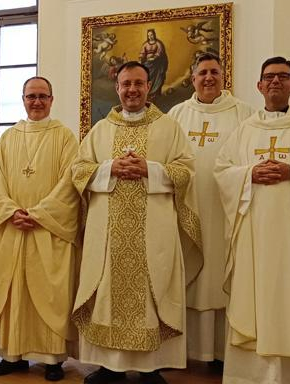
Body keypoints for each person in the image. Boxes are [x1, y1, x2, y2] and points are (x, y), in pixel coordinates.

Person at [71, 61, 202, 384]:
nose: (132, 90)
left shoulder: (168, 128)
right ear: (117, 87)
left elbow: (186, 170)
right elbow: (78, 170)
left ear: (149, 87)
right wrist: (110, 168)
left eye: (138, 83)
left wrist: (150, 170)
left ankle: (151, 367)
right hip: (109, 234)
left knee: (152, 290)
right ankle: (108, 366)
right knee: (107, 294)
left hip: (153, 233)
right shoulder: (101, 129)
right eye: (126, 83)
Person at [214, 57, 290, 383]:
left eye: (283, 77)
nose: (275, 82)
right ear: (259, 85)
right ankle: (251, 376)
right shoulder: (243, 132)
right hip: (254, 235)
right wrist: (250, 173)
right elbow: (223, 173)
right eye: (269, 77)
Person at [0, 76, 80, 382]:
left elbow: (70, 184)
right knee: (14, 291)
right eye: (31, 96)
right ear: (23, 99)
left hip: (49, 230)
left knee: (50, 292)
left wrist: (39, 214)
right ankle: (13, 355)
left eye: (42, 96)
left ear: (52, 99)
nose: (36, 101)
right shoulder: (9, 138)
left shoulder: (65, 137)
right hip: (13, 229)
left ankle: (52, 359)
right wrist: (10, 212)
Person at [169, 53, 255, 366]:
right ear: (192, 79)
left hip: (228, 210)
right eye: (202, 73)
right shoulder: (177, 114)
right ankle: (188, 351)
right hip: (188, 209)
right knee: (192, 276)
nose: (208, 78)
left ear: (223, 77)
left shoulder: (245, 113)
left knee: (223, 274)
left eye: (214, 72)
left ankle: (222, 352)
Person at [138, 29, 168, 100]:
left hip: (156, 65)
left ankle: (154, 94)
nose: (150, 36)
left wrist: (154, 57)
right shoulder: (145, 44)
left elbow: (160, 52)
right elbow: (142, 53)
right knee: (147, 78)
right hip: (147, 64)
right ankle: (147, 94)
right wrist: (140, 59)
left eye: (151, 35)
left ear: (154, 34)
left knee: (156, 78)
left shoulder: (158, 43)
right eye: (148, 35)